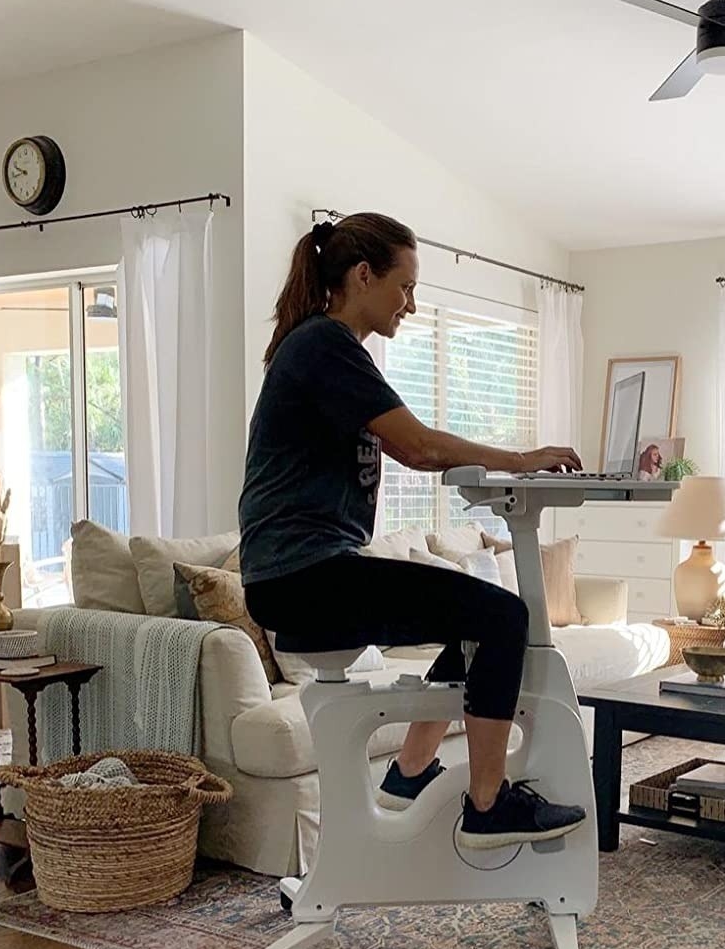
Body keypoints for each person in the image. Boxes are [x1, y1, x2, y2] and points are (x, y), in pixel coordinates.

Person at [240, 212, 587, 850]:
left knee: (481, 623)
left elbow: (413, 444)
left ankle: (409, 773)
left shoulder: (331, 348)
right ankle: (487, 807)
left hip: (302, 573)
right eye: (405, 286)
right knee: (503, 619)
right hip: (301, 578)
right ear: (363, 275)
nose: (412, 303)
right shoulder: (324, 346)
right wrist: (523, 459)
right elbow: (421, 448)